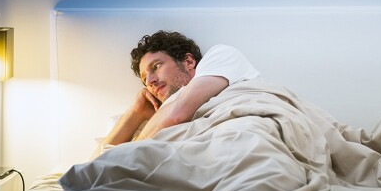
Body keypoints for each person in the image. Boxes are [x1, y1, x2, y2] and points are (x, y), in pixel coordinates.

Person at [99, 31, 260, 149]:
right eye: (144, 79)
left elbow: (178, 114)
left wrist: (124, 156)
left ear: (188, 61)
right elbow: (93, 167)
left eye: (156, 67)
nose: (150, 81)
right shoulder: (157, 118)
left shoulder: (222, 55)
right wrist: (136, 112)